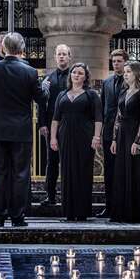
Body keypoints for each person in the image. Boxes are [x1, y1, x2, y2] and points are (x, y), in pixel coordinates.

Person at [0, 32, 46, 227]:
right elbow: (41, 98)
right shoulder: (30, 72)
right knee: (21, 173)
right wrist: (45, 89)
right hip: (21, 130)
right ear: (22, 49)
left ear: (3, 48)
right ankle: (17, 216)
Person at [50, 63, 102, 221]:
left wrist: (96, 137)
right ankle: (69, 211)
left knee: (83, 172)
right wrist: (53, 137)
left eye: (80, 73)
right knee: (67, 171)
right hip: (65, 136)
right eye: (74, 72)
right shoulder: (62, 94)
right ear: (70, 75)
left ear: (86, 77)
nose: (76, 75)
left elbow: (98, 118)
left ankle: (82, 211)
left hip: (85, 137)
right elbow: (55, 119)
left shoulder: (91, 94)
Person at [109, 61, 140, 223]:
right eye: (124, 72)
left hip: (135, 133)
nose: (125, 74)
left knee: (135, 170)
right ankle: (121, 213)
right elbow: (118, 117)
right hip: (122, 135)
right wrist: (113, 139)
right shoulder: (123, 91)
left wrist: (137, 140)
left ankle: (135, 213)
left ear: (137, 73)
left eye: (129, 72)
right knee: (121, 171)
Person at [38, 44, 72, 206]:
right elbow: (42, 104)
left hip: (70, 125)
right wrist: (42, 124)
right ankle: (50, 196)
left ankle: (68, 195)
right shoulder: (48, 79)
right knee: (51, 161)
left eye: (64, 54)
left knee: (68, 161)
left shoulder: (75, 76)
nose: (61, 57)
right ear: (55, 57)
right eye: (59, 54)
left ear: (69, 57)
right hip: (52, 125)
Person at [98, 49, 127, 218]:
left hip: (124, 131)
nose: (116, 64)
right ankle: (108, 207)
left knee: (121, 170)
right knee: (109, 171)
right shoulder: (107, 82)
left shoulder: (130, 80)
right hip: (109, 131)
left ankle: (122, 207)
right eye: (114, 61)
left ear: (125, 62)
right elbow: (102, 108)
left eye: (119, 61)